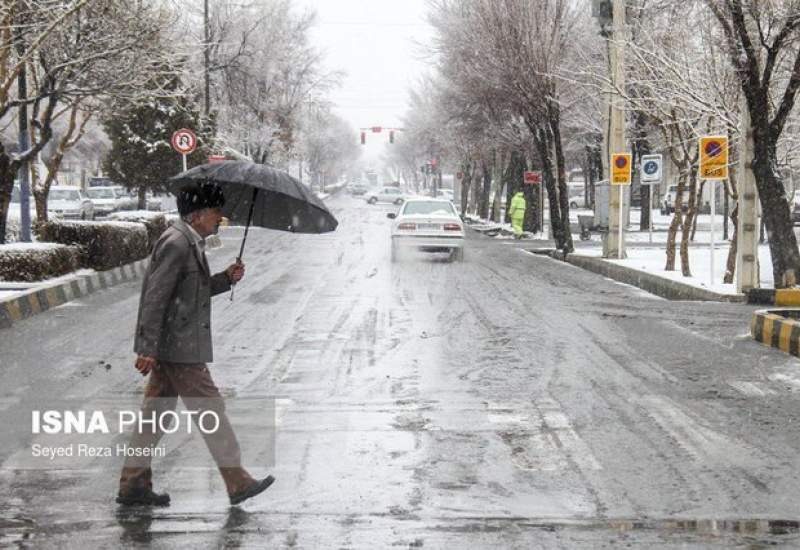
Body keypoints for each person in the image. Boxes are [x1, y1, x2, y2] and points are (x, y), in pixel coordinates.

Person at [117, 182, 275, 507]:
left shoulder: (190, 241)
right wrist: (146, 347)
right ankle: (237, 481)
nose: (221, 218)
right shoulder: (177, 243)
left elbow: (190, 291)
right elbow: (156, 297)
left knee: (154, 418)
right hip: (179, 347)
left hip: (176, 344)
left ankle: (133, 485)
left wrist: (225, 278)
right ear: (200, 213)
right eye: (217, 212)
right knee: (211, 411)